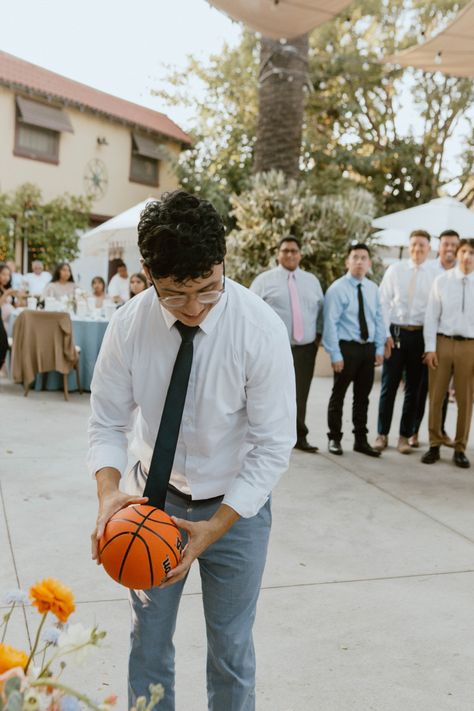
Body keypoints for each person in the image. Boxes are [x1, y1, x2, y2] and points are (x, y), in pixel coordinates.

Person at [88, 190, 296, 711]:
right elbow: (107, 421)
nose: (196, 307)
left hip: (236, 511)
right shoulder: (129, 326)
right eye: (176, 294)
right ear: (149, 274)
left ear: (223, 263)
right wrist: (110, 495)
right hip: (148, 504)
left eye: (209, 288)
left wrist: (215, 527)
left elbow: (272, 446)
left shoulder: (259, 329)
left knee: (230, 650)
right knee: (148, 645)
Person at [250, 237, 324, 453]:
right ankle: (270, 440)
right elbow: (251, 313)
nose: (290, 255)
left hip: (305, 349)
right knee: (270, 394)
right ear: (278, 254)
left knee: (301, 393)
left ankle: (300, 436)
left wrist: (317, 337)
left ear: (300, 254)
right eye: (285, 251)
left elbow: (320, 311)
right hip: (274, 350)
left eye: (294, 251)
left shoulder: (312, 281)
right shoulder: (264, 281)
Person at [323, 244, 387, 457]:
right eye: (355, 257)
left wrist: (378, 347)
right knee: (338, 395)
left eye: (363, 258)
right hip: (346, 349)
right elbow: (330, 323)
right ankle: (334, 438)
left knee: (362, 397)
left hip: (367, 349)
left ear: (369, 263)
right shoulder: (337, 289)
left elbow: (379, 319)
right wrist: (335, 354)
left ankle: (361, 440)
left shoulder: (373, 289)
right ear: (347, 261)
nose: (359, 261)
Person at [375, 229, 435, 454]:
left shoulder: (433, 275)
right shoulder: (395, 270)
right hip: (396, 334)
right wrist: (385, 335)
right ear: (408, 247)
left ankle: (404, 436)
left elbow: (432, 313)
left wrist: (429, 346)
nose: (417, 249)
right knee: (388, 386)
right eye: (414, 245)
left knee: (414, 389)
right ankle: (382, 434)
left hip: (419, 335)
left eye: (422, 245)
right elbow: (383, 303)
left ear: (429, 249)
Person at [422, 238, 474, 469]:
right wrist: (430, 348)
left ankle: (460, 447)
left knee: (465, 399)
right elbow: (431, 316)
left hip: (469, 346)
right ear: (457, 252)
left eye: (472, 253)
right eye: (464, 251)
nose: (467, 257)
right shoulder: (442, 281)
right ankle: (434, 444)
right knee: (436, 395)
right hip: (443, 343)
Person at [411, 229, 461, 447]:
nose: (449, 248)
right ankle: (414, 431)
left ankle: (440, 431)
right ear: (438, 247)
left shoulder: (463, 272)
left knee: (442, 392)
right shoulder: (429, 270)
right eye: (446, 244)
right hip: (426, 337)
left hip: (449, 340)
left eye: (454, 245)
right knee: (421, 389)